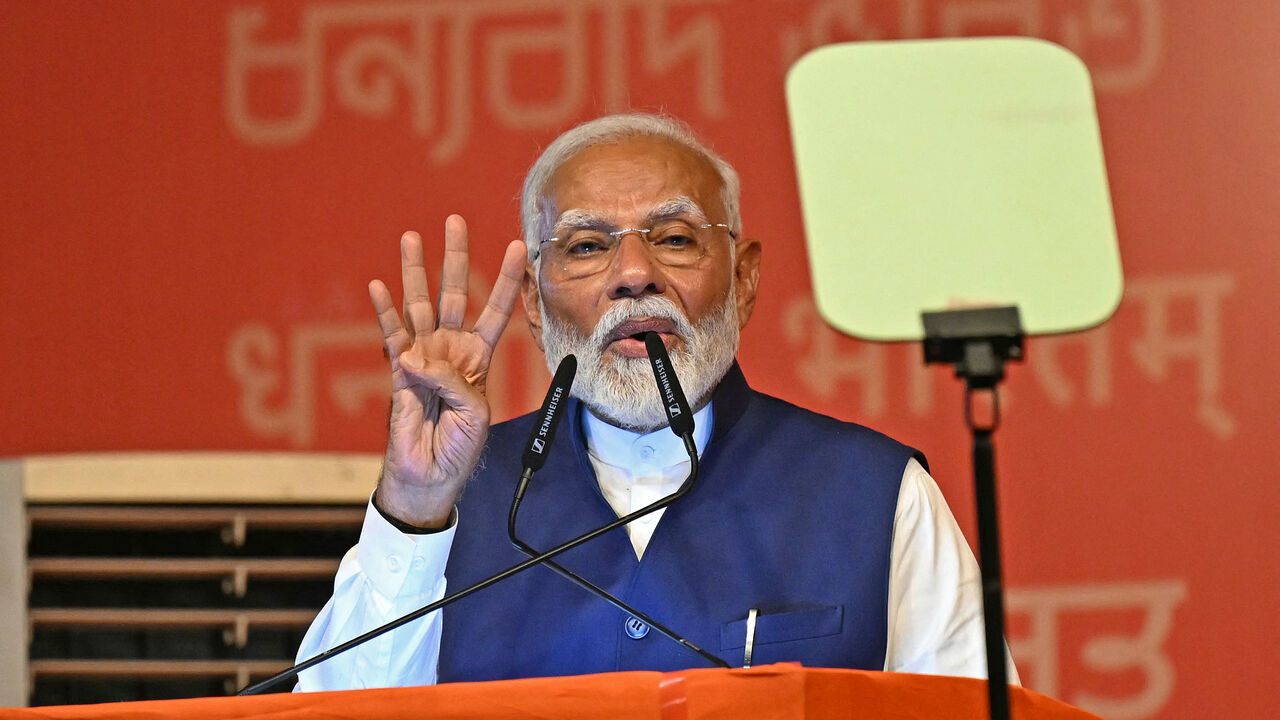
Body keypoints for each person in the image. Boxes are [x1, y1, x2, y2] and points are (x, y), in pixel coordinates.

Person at [295, 113, 1015, 690]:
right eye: (585, 247)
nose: (634, 275)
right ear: (537, 309)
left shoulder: (877, 494)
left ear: (743, 282)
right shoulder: (450, 500)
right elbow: (337, 714)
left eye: (673, 239)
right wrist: (415, 512)